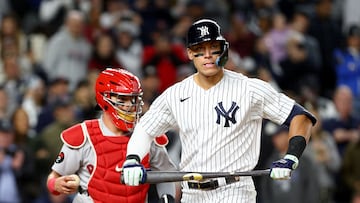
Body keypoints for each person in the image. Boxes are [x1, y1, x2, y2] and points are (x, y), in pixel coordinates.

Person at [121, 19, 317, 202]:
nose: (207, 55)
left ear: (223, 50)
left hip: (235, 190)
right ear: (189, 53)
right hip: (192, 193)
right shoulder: (175, 94)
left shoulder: (249, 88)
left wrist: (291, 156)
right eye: (199, 48)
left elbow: (300, 116)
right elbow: (145, 129)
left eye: (213, 47)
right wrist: (132, 159)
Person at [46, 68, 177, 202]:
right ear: (103, 99)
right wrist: (56, 184)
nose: (129, 105)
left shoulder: (147, 134)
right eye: (122, 98)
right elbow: (54, 177)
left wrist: (167, 197)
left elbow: (166, 175)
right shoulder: (84, 134)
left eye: (133, 99)